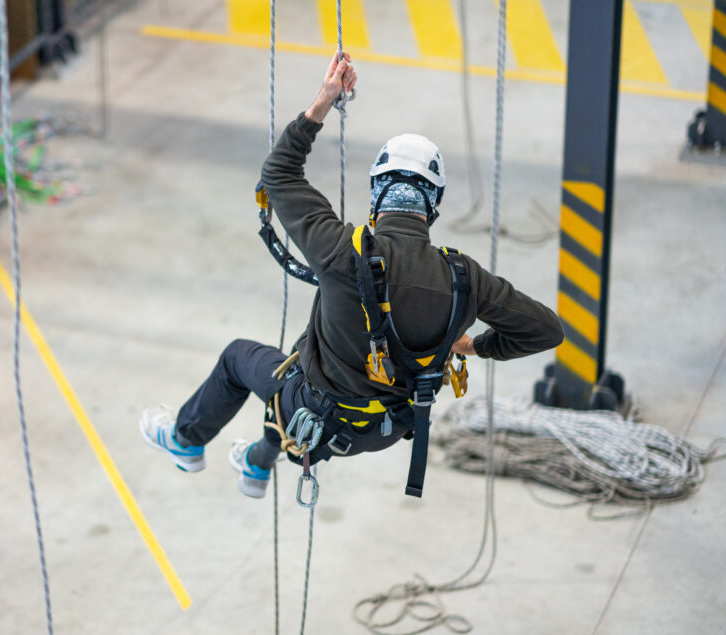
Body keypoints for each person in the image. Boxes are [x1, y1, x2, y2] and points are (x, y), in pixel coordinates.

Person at [141, 53, 563, 499]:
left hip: (320, 416)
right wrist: (475, 345)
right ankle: (257, 463)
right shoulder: (464, 278)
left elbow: (279, 173)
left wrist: (324, 100)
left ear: (377, 194)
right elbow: (545, 330)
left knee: (242, 359)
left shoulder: (341, 250)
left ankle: (186, 442)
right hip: (386, 428)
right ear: (433, 206)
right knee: (299, 362)